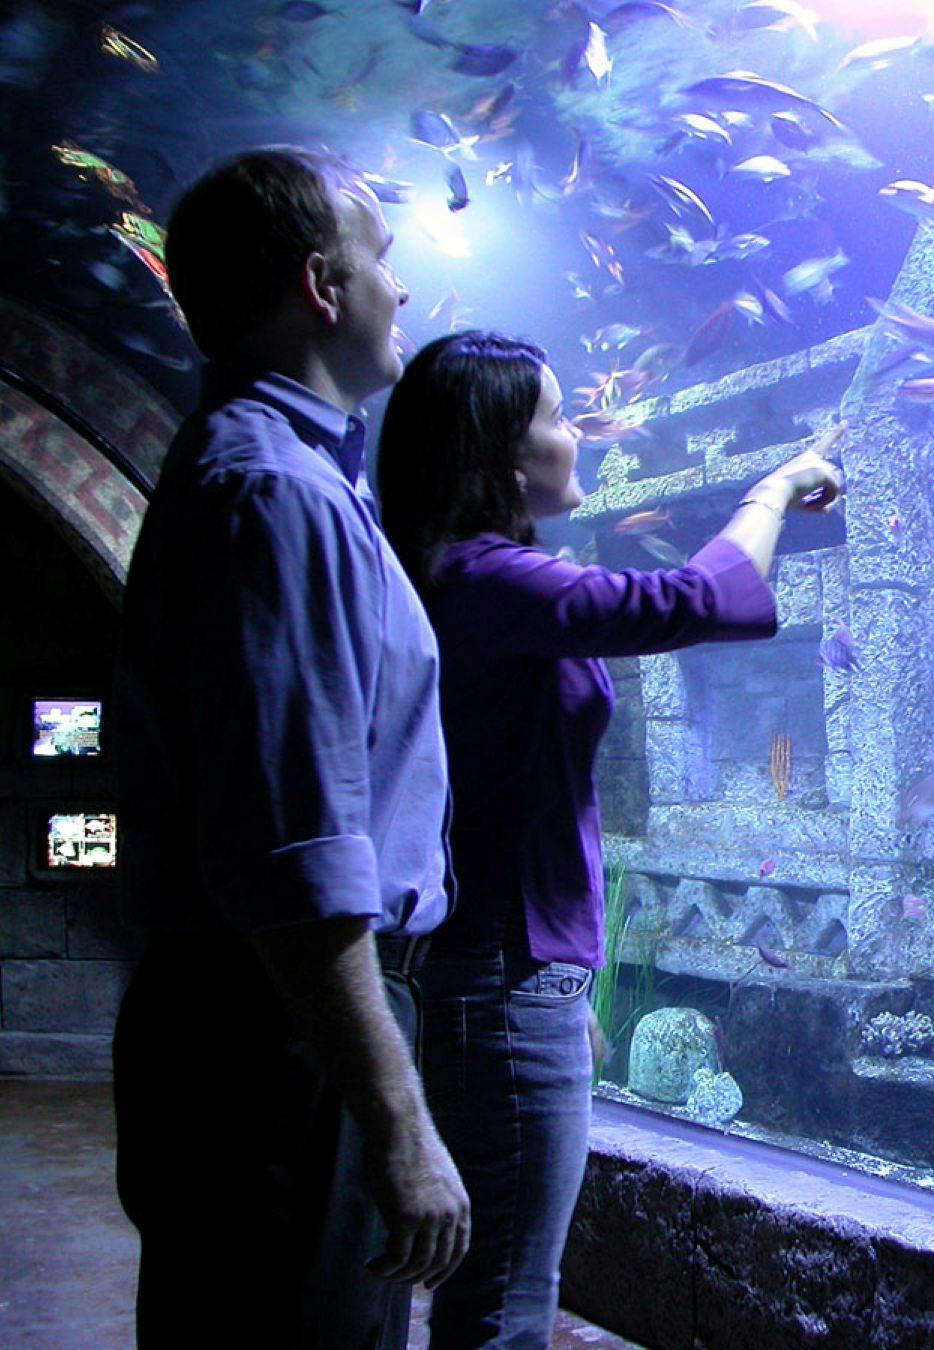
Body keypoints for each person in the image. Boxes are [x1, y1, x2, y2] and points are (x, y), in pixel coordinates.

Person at [374, 330, 843, 1348]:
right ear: (504, 458)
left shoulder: (476, 580)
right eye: (557, 418)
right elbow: (700, 600)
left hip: (514, 971)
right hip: (501, 973)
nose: (577, 435)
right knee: (505, 1298)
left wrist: (567, 988)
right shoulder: (490, 583)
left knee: (504, 1280)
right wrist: (771, 491)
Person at [112, 147, 470, 1347]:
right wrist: (398, 1122)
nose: (400, 289)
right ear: (323, 285)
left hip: (263, 1019)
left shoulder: (275, 472)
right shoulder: (277, 495)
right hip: (282, 1035)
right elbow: (296, 853)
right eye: (381, 260)